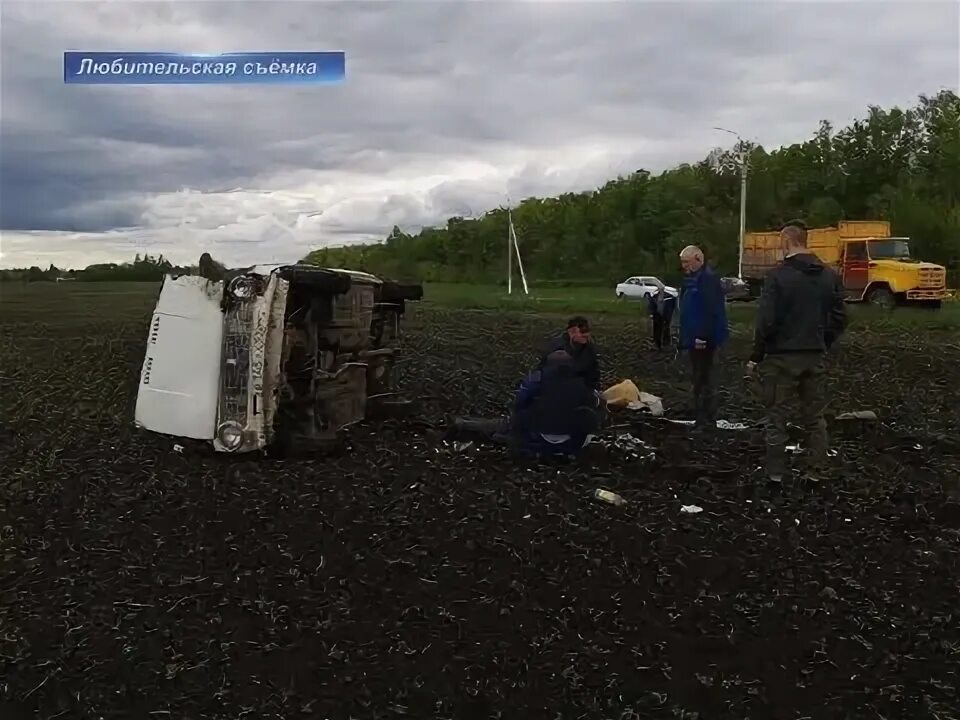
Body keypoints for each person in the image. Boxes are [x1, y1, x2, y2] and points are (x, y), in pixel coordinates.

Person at [746, 220, 848, 482]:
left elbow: (766, 322)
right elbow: (840, 317)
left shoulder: (778, 277)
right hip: (814, 354)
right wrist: (821, 340)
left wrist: (756, 355)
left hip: (782, 357)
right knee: (815, 417)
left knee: (777, 415)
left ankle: (776, 474)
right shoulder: (829, 276)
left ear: (787, 242)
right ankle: (816, 471)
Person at [451, 350, 605, 456]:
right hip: (569, 443)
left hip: (536, 436)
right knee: (589, 415)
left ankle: (464, 424)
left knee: (504, 423)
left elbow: (520, 402)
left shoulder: (537, 379)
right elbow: (594, 404)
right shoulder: (581, 385)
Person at [677, 245, 729, 430]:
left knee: (703, 379)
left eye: (686, 261)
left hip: (704, 340)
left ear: (698, 259)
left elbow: (710, 310)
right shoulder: (693, 279)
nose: (684, 266)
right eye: (682, 262)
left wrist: (701, 336)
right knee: (698, 378)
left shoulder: (707, 279)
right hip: (694, 338)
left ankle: (706, 419)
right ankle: (702, 417)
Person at [540, 316, 601, 390]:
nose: (586, 335)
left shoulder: (589, 350)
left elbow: (593, 375)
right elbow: (546, 373)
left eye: (587, 331)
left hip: (580, 390)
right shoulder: (557, 349)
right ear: (571, 332)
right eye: (582, 331)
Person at [646, 280, 676, 350]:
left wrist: (670, 315)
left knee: (666, 328)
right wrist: (652, 313)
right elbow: (651, 305)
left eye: (661, 287)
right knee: (656, 329)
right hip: (657, 315)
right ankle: (657, 344)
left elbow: (672, 307)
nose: (660, 288)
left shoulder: (669, 297)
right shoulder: (655, 296)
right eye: (659, 287)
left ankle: (666, 344)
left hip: (666, 315)